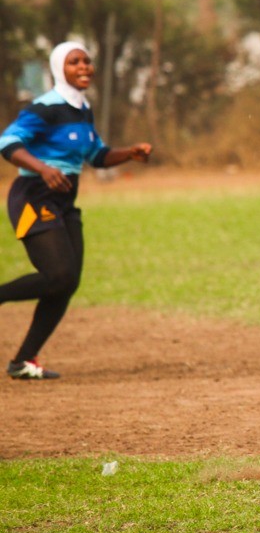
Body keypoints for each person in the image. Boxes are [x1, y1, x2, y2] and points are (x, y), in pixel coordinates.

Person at [0, 42, 152, 379]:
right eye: (74, 62)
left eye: (86, 61)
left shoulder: (83, 110)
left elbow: (97, 155)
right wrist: (43, 169)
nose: (83, 66)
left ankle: (22, 362)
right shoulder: (45, 108)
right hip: (34, 196)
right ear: (59, 68)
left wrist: (129, 153)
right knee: (58, 275)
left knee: (66, 283)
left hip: (65, 201)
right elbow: (7, 143)